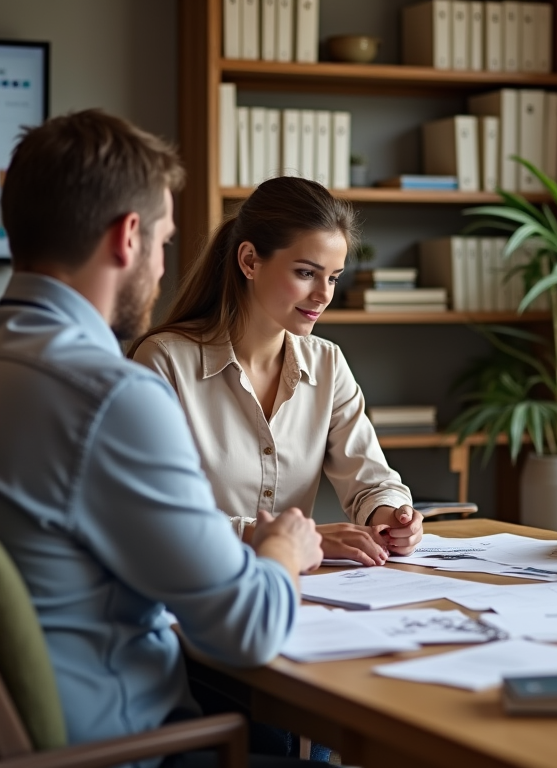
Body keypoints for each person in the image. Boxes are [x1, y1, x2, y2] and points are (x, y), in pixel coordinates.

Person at [0, 110, 326, 767]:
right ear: (127, 238)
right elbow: (250, 628)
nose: (162, 266)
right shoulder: (113, 396)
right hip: (120, 750)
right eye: (164, 241)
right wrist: (284, 548)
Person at [129, 176, 423, 566]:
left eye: (332, 277)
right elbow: (154, 515)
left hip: (294, 590)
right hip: (188, 587)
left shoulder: (327, 363)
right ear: (250, 260)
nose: (324, 295)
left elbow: (371, 480)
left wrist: (392, 518)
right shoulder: (165, 362)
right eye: (306, 273)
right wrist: (293, 539)